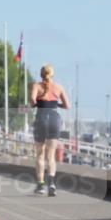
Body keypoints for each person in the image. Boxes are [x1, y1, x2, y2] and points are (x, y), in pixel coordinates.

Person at [30, 64, 70, 196]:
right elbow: (67, 105)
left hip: (41, 118)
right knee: (51, 155)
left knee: (40, 154)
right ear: (52, 74)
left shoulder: (37, 86)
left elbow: (32, 100)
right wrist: (55, 103)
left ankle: (41, 185)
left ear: (41, 74)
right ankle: (51, 183)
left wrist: (37, 103)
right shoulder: (59, 87)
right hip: (54, 119)